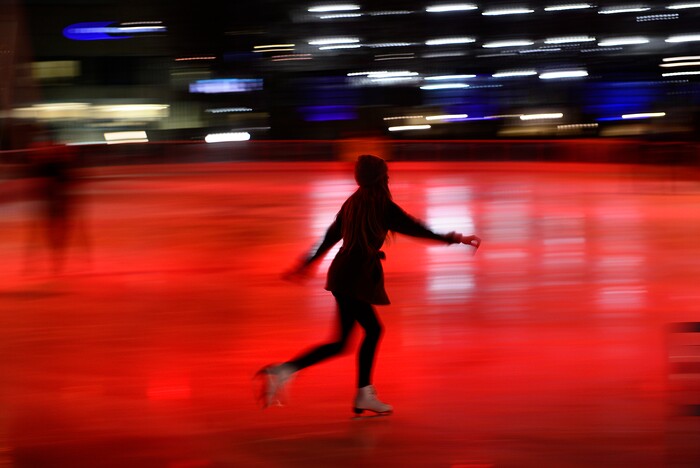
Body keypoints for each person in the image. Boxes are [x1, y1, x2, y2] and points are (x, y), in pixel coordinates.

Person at [257, 154, 481, 415]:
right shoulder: (381, 205)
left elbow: (329, 237)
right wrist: (456, 238)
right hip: (355, 276)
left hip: (342, 273)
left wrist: (306, 264)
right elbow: (417, 229)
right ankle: (336, 385)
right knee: (371, 331)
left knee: (344, 341)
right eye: (385, 175)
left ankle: (294, 374)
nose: (387, 178)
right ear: (380, 178)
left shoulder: (352, 203)